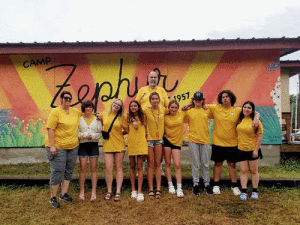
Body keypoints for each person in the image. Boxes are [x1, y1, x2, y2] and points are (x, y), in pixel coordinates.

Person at [208, 90, 259, 195]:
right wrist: (188, 105)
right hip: (217, 142)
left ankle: (234, 186)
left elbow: (254, 112)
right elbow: (200, 106)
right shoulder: (214, 108)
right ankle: (216, 185)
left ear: (231, 98)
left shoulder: (238, 110)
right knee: (218, 164)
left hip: (232, 143)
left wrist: (257, 118)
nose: (225, 98)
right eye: (222, 97)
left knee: (232, 164)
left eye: (227, 96)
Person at [44, 91, 81, 208]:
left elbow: (87, 114)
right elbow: (50, 129)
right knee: (58, 170)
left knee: (68, 170)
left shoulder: (75, 111)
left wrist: (99, 116)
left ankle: (63, 194)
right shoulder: (55, 112)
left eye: (70, 98)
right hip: (58, 147)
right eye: (66, 98)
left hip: (73, 146)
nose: (68, 100)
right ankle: (53, 197)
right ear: (61, 99)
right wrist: (52, 145)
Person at [185, 92, 213, 196]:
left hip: (205, 140)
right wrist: (186, 106)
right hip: (193, 140)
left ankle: (207, 184)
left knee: (205, 163)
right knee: (195, 163)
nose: (198, 101)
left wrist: (207, 106)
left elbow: (217, 110)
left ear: (202, 100)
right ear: (193, 100)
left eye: (200, 100)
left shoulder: (207, 110)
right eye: (196, 100)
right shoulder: (189, 112)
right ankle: (195, 184)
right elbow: (181, 117)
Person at [236, 101, 263, 201]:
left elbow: (260, 136)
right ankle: (244, 191)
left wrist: (256, 150)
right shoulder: (240, 120)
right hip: (241, 149)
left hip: (253, 150)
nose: (246, 109)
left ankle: (255, 191)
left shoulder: (256, 121)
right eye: (245, 107)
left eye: (249, 108)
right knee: (243, 171)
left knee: (254, 171)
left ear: (252, 110)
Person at [101, 98, 126, 202]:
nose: (116, 105)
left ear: (120, 108)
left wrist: (119, 135)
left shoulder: (122, 117)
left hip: (119, 145)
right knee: (108, 168)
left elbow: (127, 130)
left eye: (118, 105)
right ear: (112, 104)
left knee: (119, 168)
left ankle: (118, 191)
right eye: (115, 103)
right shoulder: (104, 114)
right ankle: (109, 190)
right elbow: (101, 124)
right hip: (107, 145)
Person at [143, 92, 167, 199]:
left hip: (159, 140)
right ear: (150, 100)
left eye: (157, 99)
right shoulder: (146, 110)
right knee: (150, 164)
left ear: (159, 100)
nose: (155, 101)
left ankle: (158, 188)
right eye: (153, 99)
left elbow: (176, 110)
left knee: (158, 164)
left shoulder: (164, 110)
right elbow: (132, 113)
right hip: (149, 140)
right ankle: (150, 189)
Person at [77, 100, 102, 201]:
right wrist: (84, 136)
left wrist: (93, 136)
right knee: (83, 168)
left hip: (93, 145)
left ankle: (93, 192)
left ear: (93, 109)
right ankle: (82, 191)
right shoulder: (79, 119)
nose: (89, 109)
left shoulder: (97, 119)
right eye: (87, 107)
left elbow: (100, 133)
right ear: (83, 109)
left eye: (90, 107)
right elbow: (77, 132)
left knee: (93, 168)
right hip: (83, 145)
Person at [124, 100, 148, 202]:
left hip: (141, 144)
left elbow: (147, 130)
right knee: (132, 167)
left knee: (140, 168)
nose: (133, 107)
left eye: (135, 106)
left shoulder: (143, 117)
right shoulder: (127, 118)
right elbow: (125, 130)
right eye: (131, 106)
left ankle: (139, 191)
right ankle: (133, 189)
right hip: (132, 144)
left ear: (138, 107)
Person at [163, 100, 185, 198]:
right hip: (167, 141)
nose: (174, 109)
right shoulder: (165, 116)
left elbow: (190, 108)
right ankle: (170, 184)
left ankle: (179, 187)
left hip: (177, 142)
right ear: (169, 108)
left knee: (177, 164)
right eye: (172, 107)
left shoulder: (182, 114)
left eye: (176, 107)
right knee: (167, 163)